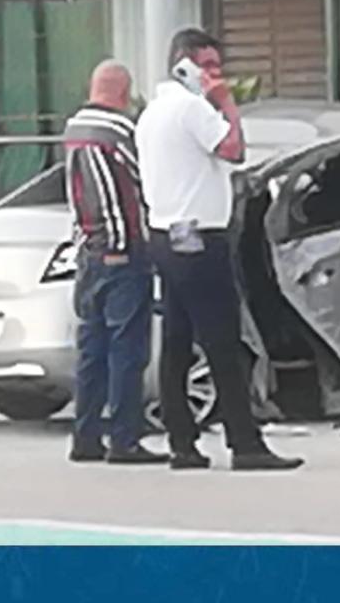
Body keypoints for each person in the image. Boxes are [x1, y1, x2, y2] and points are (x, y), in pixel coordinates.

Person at [136, 28, 304, 472]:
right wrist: (226, 102)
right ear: (184, 65)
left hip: (166, 233)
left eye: (217, 68)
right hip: (198, 236)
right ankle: (244, 443)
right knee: (222, 340)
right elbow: (233, 150)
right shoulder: (193, 108)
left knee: (176, 339)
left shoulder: (152, 111)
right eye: (207, 67)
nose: (215, 75)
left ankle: (182, 441)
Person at [64, 60, 168, 465]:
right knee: (128, 350)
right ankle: (125, 439)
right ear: (124, 93)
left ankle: (85, 435)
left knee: (92, 350)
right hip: (125, 251)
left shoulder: (73, 130)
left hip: (89, 254)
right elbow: (149, 181)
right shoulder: (121, 132)